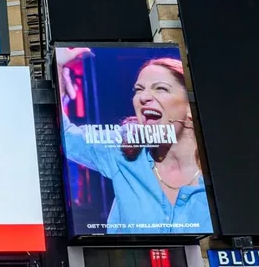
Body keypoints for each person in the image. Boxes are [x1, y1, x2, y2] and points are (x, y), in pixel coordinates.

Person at [56, 47, 211, 234]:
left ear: (190, 107)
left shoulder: (217, 172)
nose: (143, 97)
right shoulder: (122, 148)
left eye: (161, 88)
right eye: (138, 90)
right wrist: (58, 64)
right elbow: (66, 136)